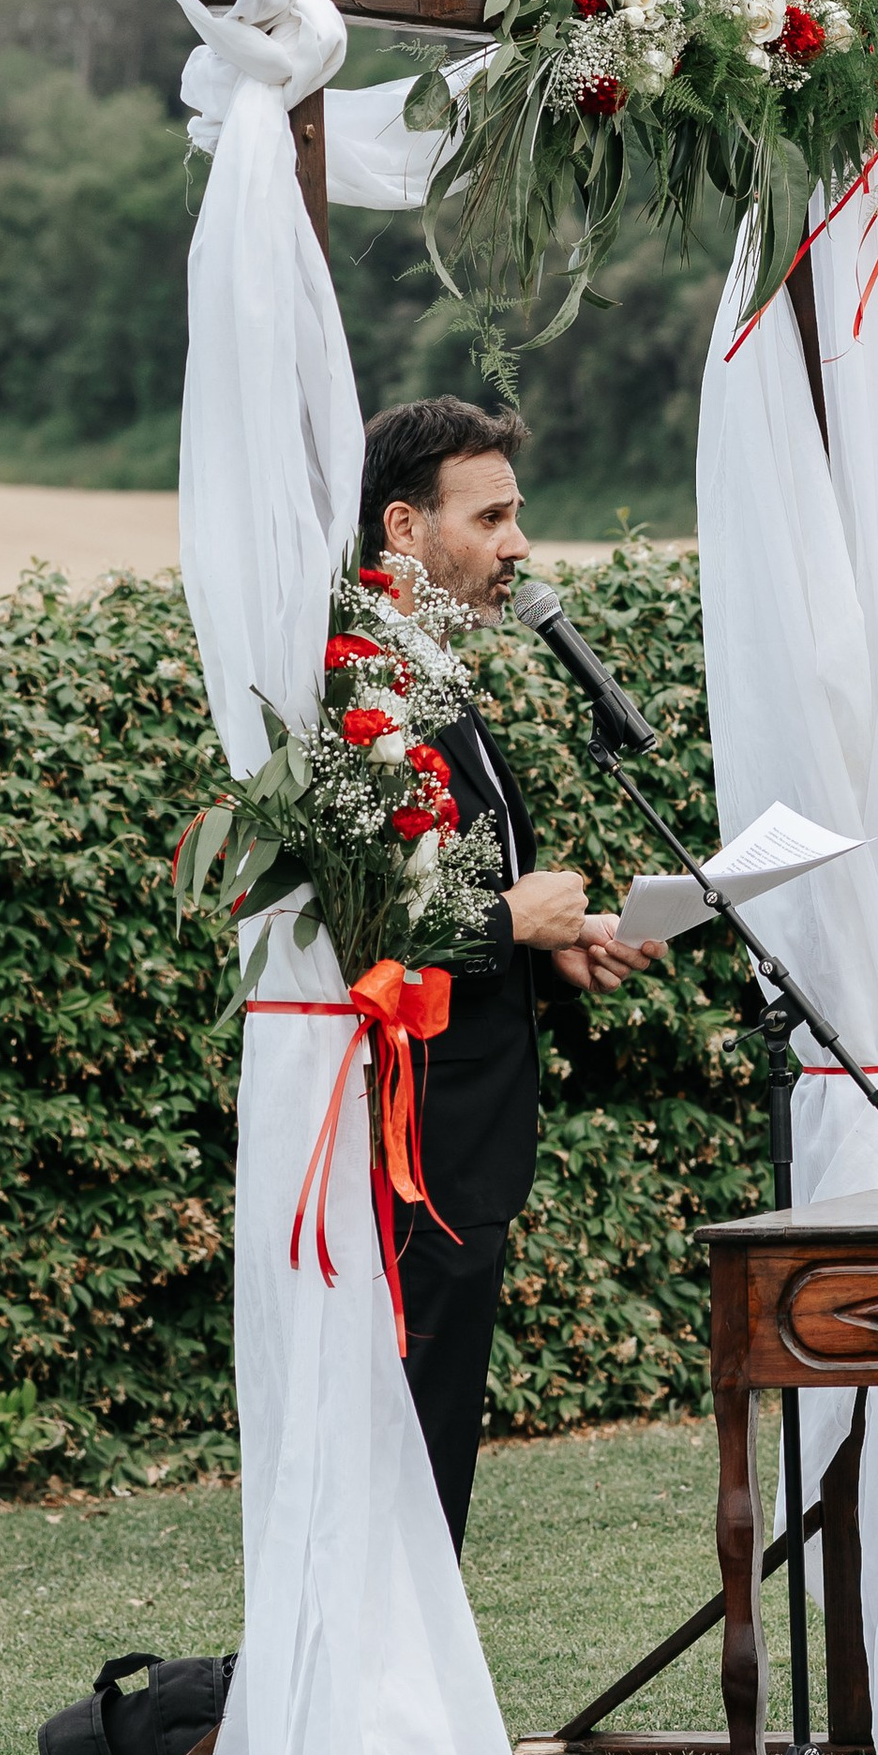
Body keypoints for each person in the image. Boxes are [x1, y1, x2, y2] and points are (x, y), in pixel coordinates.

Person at [358, 396, 668, 1554]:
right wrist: (506, 916)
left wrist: (558, 941)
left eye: (516, 516)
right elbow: (355, 926)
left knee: (437, 1449)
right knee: (409, 1444)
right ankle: (390, 1703)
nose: (517, 545)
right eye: (489, 518)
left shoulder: (429, 665)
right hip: (413, 1144)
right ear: (404, 526)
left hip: (470, 1133)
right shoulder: (364, 685)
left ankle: (415, 1680)